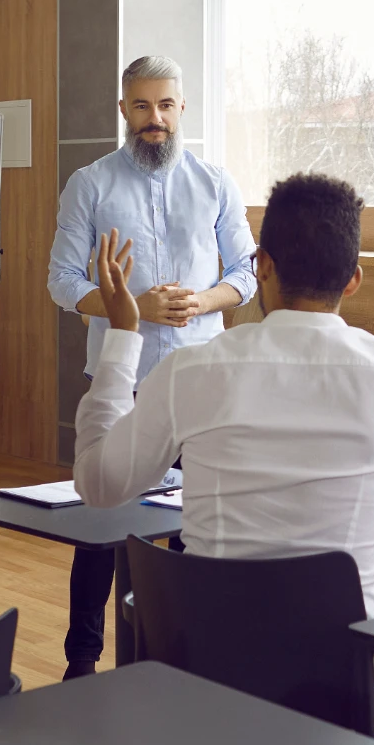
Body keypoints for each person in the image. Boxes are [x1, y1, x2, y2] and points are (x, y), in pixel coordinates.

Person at [74, 173, 374, 731]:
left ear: (261, 264)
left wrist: (121, 337)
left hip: (208, 684)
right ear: (353, 280)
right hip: (348, 698)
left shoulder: (191, 371)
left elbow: (97, 485)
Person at [46, 55, 258, 679]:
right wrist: (129, 308)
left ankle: (181, 662)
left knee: (197, 523)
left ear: (182, 109)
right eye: (141, 107)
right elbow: (61, 280)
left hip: (201, 382)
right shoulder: (90, 183)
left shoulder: (217, 183)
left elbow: (245, 272)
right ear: (123, 110)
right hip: (122, 378)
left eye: (165, 106)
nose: (154, 120)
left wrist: (204, 300)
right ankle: (81, 663)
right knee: (102, 519)